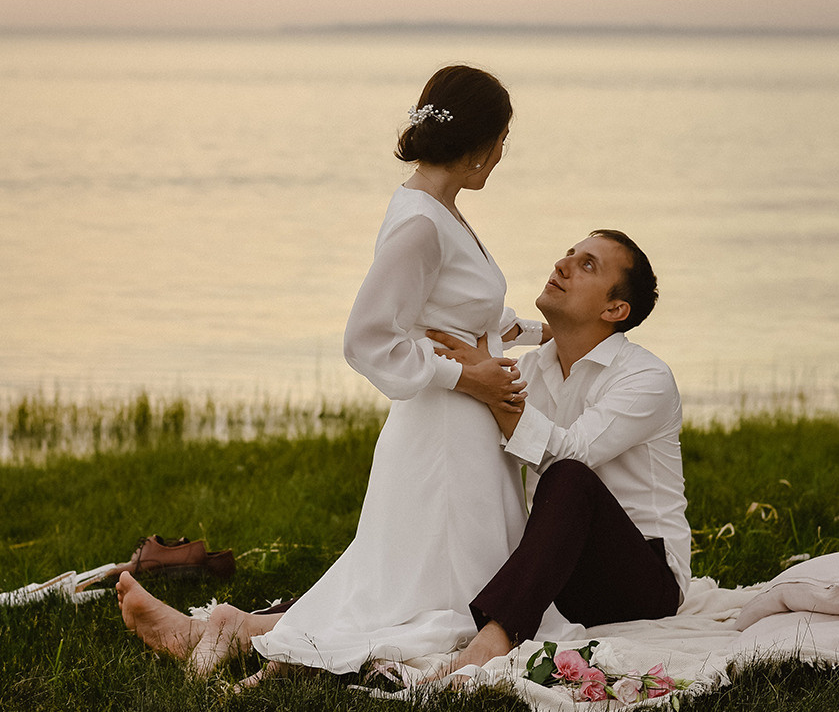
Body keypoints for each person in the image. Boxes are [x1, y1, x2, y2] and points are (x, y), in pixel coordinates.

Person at [117, 64, 543, 676]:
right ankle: (256, 640)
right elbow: (368, 338)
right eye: (502, 140)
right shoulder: (422, 223)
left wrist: (544, 332)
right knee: (434, 601)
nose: (502, 155)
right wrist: (467, 378)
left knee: (419, 585)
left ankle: (235, 632)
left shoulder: (437, 208)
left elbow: (456, 311)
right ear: (478, 142)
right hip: (445, 435)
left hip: (465, 433)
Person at [427, 229, 691, 676]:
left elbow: (570, 454)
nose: (562, 265)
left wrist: (494, 390)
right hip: (556, 571)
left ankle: (495, 637)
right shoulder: (530, 369)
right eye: (570, 253)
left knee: (569, 475)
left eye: (587, 265)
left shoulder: (645, 378)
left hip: (644, 582)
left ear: (615, 310)